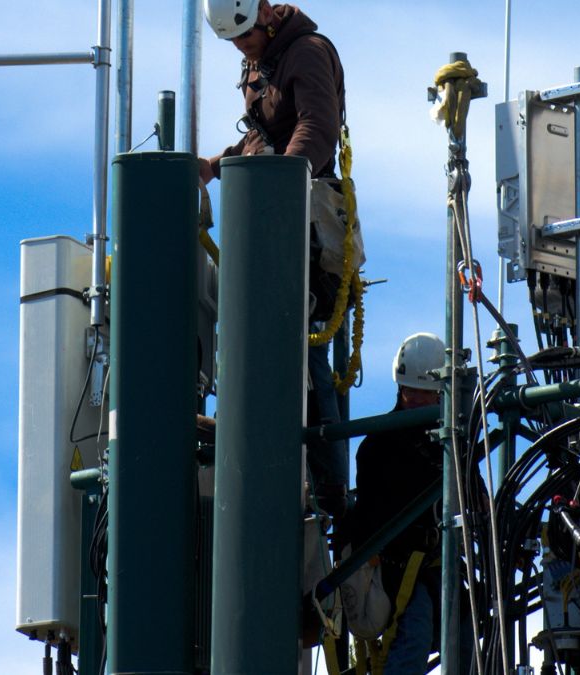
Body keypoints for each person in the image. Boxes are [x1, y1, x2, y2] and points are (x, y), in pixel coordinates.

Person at [201, 0, 349, 517]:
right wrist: (217, 166)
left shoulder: (305, 53)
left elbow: (317, 128)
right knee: (261, 337)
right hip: (278, 217)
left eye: (246, 35)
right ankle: (262, 443)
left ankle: (331, 489)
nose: (242, 47)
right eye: (234, 42)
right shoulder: (262, 61)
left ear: (264, 12)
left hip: (307, 224)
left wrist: (278, 195)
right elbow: (263, 137)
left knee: (305, 350)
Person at [345, 333, 477, 674]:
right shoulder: (379, 445)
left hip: (439, 563)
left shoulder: (454, 445)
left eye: (427, 393)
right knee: (415, 632)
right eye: (410, 392)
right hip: (397, 567)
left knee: (469, 635)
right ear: (399, 389)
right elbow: (373, 517)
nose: (418, 400)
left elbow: (477, 497)